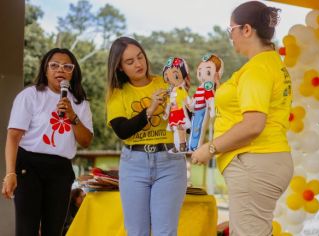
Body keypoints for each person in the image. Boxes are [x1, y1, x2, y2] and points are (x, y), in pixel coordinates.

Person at [191, 1, 294, 235]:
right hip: (265, 160)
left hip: (255, 161)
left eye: (231, 30)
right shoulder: (270, 64)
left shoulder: (256, 69)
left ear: (246, 30)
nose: (231, 36)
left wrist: (209, 149)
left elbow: (253, 125)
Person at [1, 48, 94, 236]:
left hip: (60, 169)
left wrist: (72, 116)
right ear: (45, 69)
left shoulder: (80, 103)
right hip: (29, 166)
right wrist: (10, 173)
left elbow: (85, 141)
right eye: (54, 65)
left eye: (67, 66)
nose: (60, 70)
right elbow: (13, 136)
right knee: (27, 229)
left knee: (54, 230)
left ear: (73, 71)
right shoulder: (30, 95)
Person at [106, 36, 187, 236]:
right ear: (119, 67)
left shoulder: (167, 82)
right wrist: (149, 110)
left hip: (170, 161)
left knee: (165, 232)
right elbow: (122, 130)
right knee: (136, 232)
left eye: (140, 57)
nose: (138, 64)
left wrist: (185, 95)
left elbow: (186, 121)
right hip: (134, 164)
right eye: (130, 62)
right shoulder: (117, 93)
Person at [162, 57, 191, 152]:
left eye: (175, 75)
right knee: (174, 129)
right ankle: (176, 145)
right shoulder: (170, 91)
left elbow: (186, 100)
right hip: (173, 113)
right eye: (167, 76)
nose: (170, 79)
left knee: (180, 128)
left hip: (180, 112)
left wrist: (190, 107)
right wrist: (166, 112)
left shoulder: (181, 90)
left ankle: (182, 145)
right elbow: (169, 103)